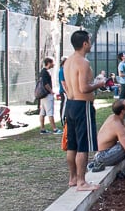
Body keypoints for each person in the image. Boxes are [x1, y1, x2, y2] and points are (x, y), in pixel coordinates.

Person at [63, 30, 105, 191]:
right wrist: (99, 84)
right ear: (85, 43)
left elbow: (68, 86)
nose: (91, 44)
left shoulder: (68, 61)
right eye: (89, 41)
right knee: (83, 145)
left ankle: (73, 178)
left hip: (70, 104)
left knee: (72, 144)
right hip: (82, 106)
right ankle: (81, 182)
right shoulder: (83, 62)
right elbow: (84, 88)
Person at [38, 57, 61, 134]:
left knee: (42, 112)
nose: (54, 64)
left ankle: (42, 129)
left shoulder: (42, 71)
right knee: (50, 112)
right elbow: (46, 84)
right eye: (53, 62)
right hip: (47, 95)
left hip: (43, 95)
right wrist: (51, 91)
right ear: (49, 63)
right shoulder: (45, 72)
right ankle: (55, 129)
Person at [58, 56, 68, 121]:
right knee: (64, 104)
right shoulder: (62, 71)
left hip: (66, 91)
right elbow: (63, 82)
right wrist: (67, 91)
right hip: (64, 92)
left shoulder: (65, 70)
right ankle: (62, 119)